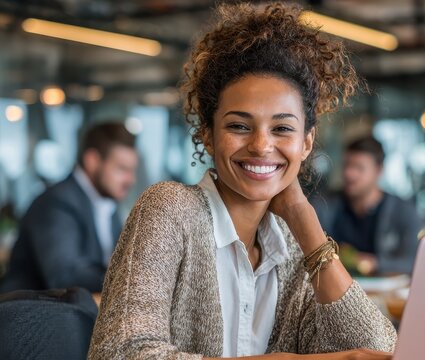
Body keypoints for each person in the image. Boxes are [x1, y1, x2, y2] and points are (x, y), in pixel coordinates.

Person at [88, 4, 396, 360]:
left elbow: (378, 350)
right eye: (239, 126)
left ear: (306, 142)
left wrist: (304, 221)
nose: (262, 146)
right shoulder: (169, 210)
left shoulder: (293, 247)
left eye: (282, 128)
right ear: (208, 134)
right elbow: (121, 353)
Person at [0, 122, 138, 293]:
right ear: (92, 161)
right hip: (32, 315)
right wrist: (130, 279)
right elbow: (64, 276)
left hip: (77, 313)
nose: (130, 180)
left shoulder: (108, 205)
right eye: (122, 169)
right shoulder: (56, 203)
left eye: (132, 171)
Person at [314, 136, 421, 274]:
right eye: (347, 165)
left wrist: (374, 263)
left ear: (379, 171)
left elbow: (413, 262)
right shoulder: (324, 204)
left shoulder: (404, 211)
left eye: (359, 168)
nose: (349, 174)